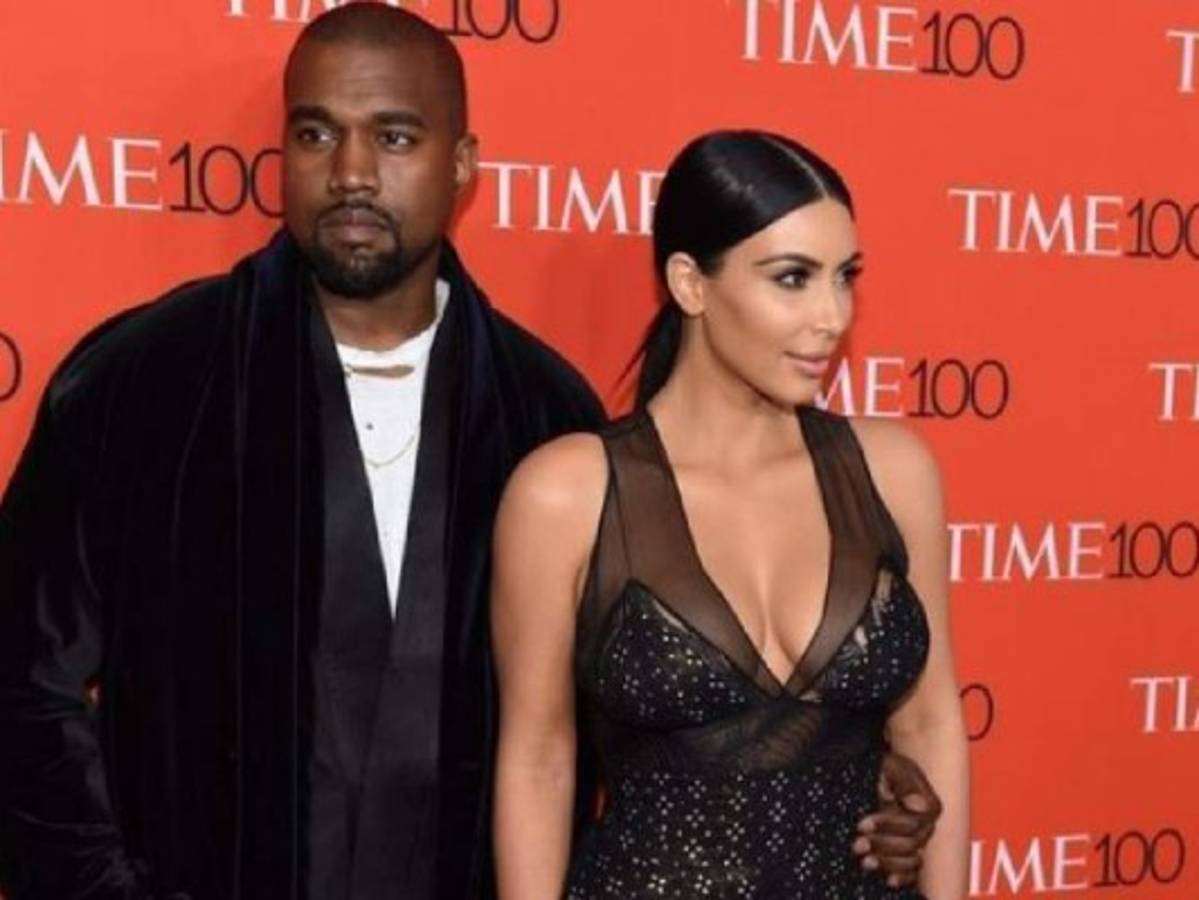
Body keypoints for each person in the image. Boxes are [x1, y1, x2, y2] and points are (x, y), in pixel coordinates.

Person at [0, 6, 939, 899]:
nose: (352, 173)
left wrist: (857, 769)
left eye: (394, 137)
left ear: (462, 164)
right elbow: (23, 678)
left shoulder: (545, 414)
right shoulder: (143, 381)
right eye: (316, 134)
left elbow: (637, 723)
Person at [491, 130, 970, 898]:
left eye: (844, 277)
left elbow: (930, 724)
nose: (832, 315)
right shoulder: (566, 494)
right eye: (793, 278)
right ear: (690, 284)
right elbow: (539, 760)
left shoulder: (892, 471)